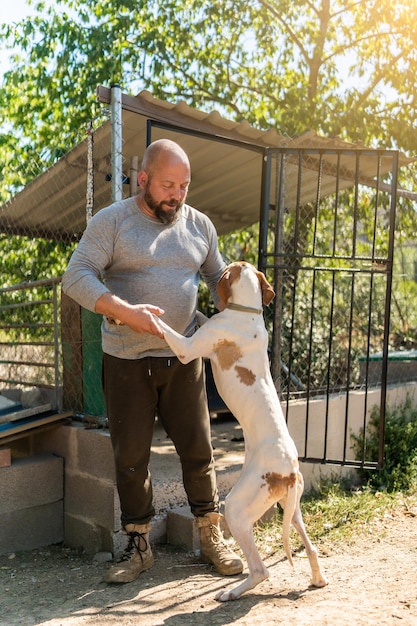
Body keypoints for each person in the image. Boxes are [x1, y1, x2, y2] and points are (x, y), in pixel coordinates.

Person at [62, 138, 243, 584]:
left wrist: (240, 302)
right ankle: (138, 545)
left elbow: (217, 277)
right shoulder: (114, 221)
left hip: (184, 358)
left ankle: (210, 536)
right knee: (131, 459)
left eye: (183, 186)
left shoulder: (199, 225)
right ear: (142, 179)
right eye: (167, 185)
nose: (176, 195)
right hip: (126, 360)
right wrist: (126, 312)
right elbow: (75, 275)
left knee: (199, 452)